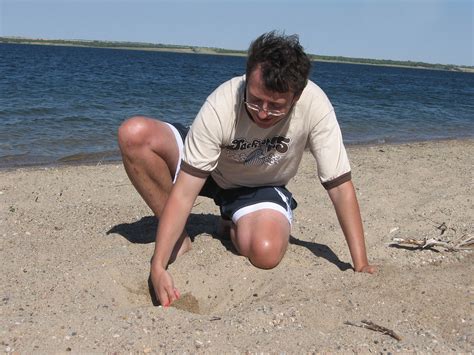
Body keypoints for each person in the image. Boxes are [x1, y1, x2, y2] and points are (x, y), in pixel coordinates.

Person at [118, 31, 376, 307]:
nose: (263, 113)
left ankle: (232, 221)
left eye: (276, 106)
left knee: (266, 253)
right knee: (134, 134)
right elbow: (184, 193)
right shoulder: (223, 101)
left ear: (297, 96)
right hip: (210, 167)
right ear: (247, 80)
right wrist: (158, 266)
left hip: (258, 184)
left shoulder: (315, 104)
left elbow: (339, 187)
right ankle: (179, 241)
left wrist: (360, 263)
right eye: (255, 100)